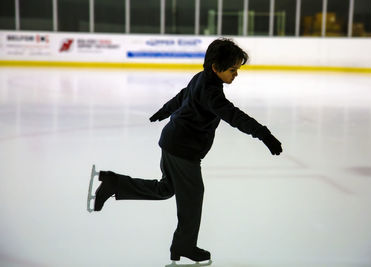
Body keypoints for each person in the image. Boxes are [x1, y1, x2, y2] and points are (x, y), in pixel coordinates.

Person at [93, 38, 283, 264]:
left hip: (173, 142)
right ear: (216, 67)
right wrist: (264, 134)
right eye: (233, 70)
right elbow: (234, 117)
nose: (236, 74)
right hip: (183, 150)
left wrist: (164, 112)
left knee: (166, 189)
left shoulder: (201, 78)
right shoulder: (212, 94)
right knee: (193, 198)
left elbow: (183, 95)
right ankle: (185, 245)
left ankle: (115, 183)